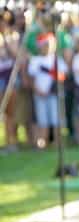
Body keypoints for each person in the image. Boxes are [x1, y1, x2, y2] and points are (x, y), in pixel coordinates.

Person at [28, 33, 68, 148]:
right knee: (42, 119)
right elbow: (32, 78)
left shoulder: (57, 60)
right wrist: (38, 90)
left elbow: (63, 75)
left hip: (54, 94)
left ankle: (57, 142)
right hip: (39, 93)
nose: (47, 47)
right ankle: (43, 142)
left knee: (56, 118)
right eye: (45, 45)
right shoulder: (35, 60)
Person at [0, 13, 18, 152]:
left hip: (9, 78)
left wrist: (6, 41)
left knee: (10, 113)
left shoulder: (12, 37)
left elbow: (16, 55)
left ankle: (12, 141)